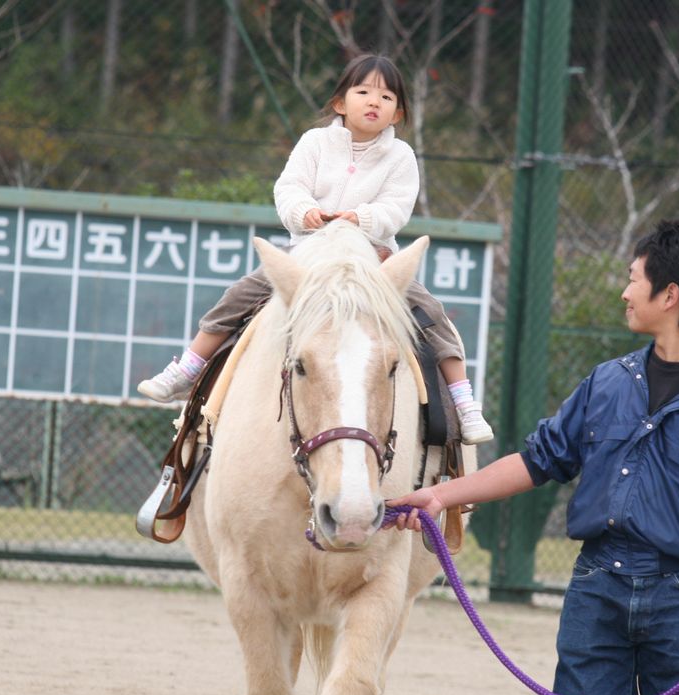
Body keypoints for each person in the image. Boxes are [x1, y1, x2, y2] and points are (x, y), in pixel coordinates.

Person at [389, 219, 679, 695]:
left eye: (633, 279)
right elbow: (537, 459)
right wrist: (440, 495)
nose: (625, 292)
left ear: (669, 294)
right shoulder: (608, 382)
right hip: (596, 586)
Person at [137, 53, 494, 444]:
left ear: (397, 114)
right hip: (307, 258)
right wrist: (303, 212)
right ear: (341, 103)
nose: (374, 101)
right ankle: (187, 368)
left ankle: (464, 403)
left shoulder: (400, 156)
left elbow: (397, 207)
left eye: (387, 97)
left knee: (432, 315)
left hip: (372, 261)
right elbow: (288, 188)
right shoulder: (315, 142)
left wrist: (360, 219)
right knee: (240, 295)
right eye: (363, 92)